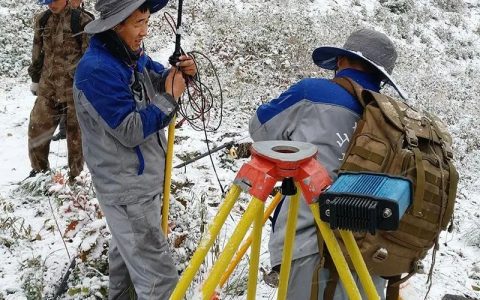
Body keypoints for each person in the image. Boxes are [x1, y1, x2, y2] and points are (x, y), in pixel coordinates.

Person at [249, 28, 402, 299]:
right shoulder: (395, 120)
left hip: (309, 245)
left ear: (341, 61)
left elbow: (260, 128)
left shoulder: (312, 92)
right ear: (381, 76)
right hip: (373, 257)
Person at [73, 0, 197, 298]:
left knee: (128, 261)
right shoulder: (97, 70)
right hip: (127, 188)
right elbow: (129, 131)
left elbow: (160, 80)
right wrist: (169, 99)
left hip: (140, 182)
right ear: (116, 25)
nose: (145, 32)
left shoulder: (131, 56)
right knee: (159, 281)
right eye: (139, 23)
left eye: (147, 22)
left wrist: (184, 73)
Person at [27, 0, 93, 181]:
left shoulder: (82, 21)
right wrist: (35, 78)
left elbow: (91, 58)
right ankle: (39, 173)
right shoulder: (43, 20)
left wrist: (90, 88)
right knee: (37, 129)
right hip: (48, 87)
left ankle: (76, 177)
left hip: (75, 89)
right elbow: (37, 51)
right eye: (46, 2)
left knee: (76, 138)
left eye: (54, 1)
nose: (50, 5)